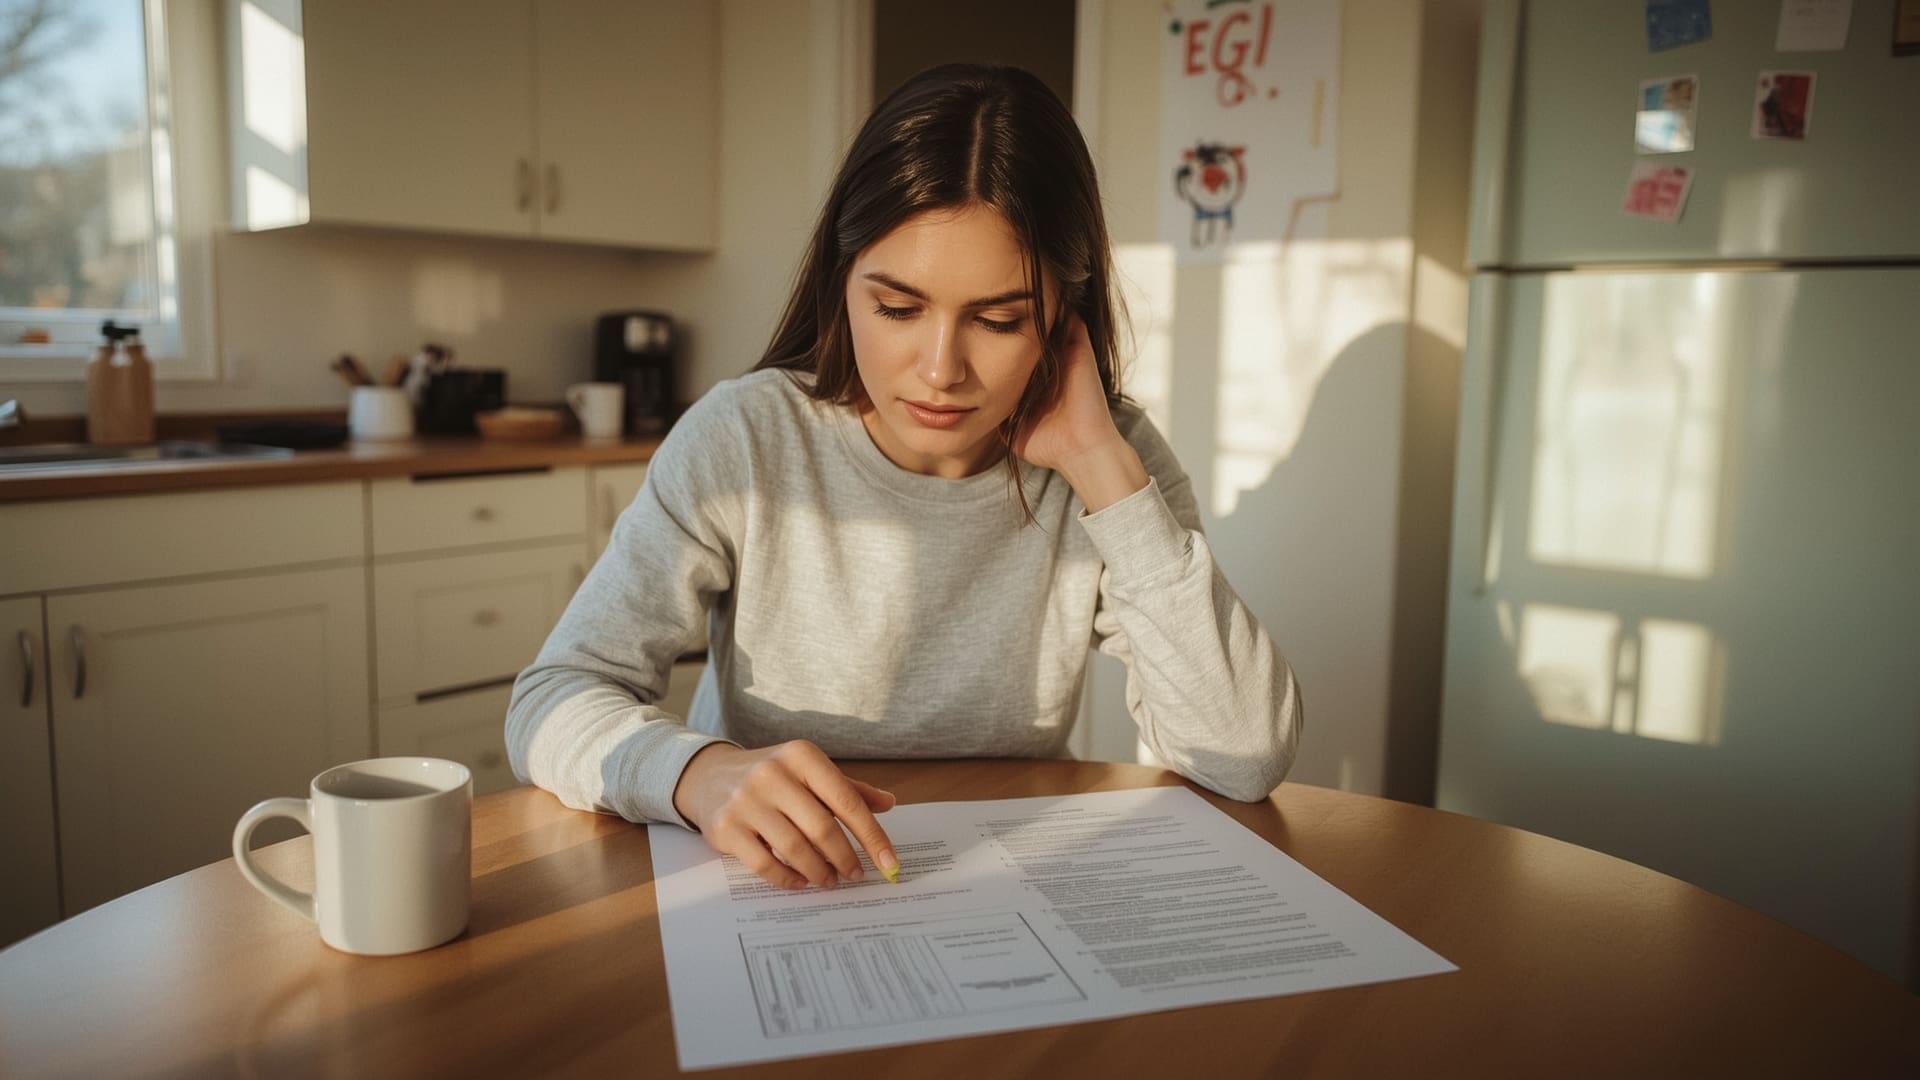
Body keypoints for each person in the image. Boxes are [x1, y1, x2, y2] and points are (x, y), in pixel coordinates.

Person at [506, 63, 1303, 892]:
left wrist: (1103, 470)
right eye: (896, 309)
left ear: (1064, 316)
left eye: (1000, 321)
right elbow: (552, 700)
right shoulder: (744, 437)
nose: (940, 370)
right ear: (840, 283)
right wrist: (696, 772)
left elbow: (1244, 754)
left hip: (1007, 877)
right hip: (777, 882)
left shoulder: (1107, 455)